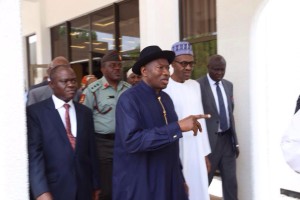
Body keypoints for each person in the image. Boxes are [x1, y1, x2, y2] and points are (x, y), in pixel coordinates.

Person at [113, 45, 210, 200]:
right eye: (160, 68)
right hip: (144, 182)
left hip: (170, 180)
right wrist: (177, 127)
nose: (166, 72)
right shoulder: (129, 99)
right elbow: (132, 141)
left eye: (167, 67)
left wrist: (180, 179)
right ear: (144, 71)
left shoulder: (166, 99)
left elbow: (172, 144)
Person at [27, 65, 100, 200]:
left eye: (73, 81)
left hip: (84, 188)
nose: (71, 85)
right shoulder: (36, 113)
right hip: (54, 189)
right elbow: (35, 155)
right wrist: (41, 191)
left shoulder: (85, 113)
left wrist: (96, 186)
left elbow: (91, 151)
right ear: (51, 84)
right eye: (65, 81)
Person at [164, 41, 211, 200]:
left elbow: (201, 121)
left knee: (199, 189)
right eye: (184, 63)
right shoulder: (165, 87)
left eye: (191, 63)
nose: (189, 67)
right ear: (172, 64)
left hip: (197, 149)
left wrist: (205, 154)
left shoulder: (195, 85)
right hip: (178, 149)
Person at [80, 50, 130, 200]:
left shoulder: (129, 89)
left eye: (119, 65)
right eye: (112, 65)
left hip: (125, 142)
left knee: (125, 184)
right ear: (102, 69)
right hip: (102, 144)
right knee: (106, 189)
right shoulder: (92, 91)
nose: (117, 68)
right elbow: (83, 120)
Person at [197, 54, 239, 200]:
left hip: (227, 140)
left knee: (231, 183)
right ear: (208, 68)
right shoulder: (198, 86)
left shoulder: (228, 85)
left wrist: (236, 141)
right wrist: (201, 149)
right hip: (209, 144)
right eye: (216, 69)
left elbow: (229, 113)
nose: (219, 73)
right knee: (204, 182)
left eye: (222, 70)